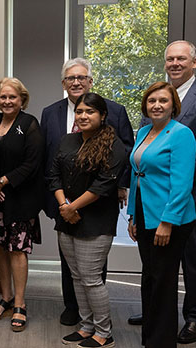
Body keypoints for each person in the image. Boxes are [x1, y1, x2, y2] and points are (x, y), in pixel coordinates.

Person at [128, 41, 196, 345]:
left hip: (188, 195)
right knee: (157, 268)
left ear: (194, 62)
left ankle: (195, 316)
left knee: (191, 257)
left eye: (181, 58)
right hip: (151, 198)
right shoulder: (151, 113)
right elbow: (141, 160)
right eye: (170, 58)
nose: (175, 63)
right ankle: (158, 311)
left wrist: (174, 182)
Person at [39, 57, 134, 326]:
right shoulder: (50, 112)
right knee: (70, 263)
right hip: (62, 200)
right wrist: (58, 201)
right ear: (63, 83)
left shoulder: (113, 110)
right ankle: (74, 309)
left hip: (98, 200)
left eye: (82, 77)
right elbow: (49, 158)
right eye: (71, 78)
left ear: (91, 81)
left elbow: (126, 150)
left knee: (91, 266)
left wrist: (121, 186)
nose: (76, 82)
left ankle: (97, 318)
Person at [48, 93, 126, 348]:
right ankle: (86, 327)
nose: (83, 116)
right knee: (77, 277)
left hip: (96, 220)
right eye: (80, 111)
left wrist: (72, 207)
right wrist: (63, 205)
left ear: (102, 116)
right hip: (67, 216)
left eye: (90, 112)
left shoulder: (114, 145)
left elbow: (104, 184)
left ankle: (105, 333)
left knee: (91, 278)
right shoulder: (68, 140)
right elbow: (54, 174)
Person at [127, 82, 196, 348]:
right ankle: (151, 337)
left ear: (173, 105)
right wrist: (133, 215)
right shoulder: (144, 131)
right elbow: (137, 175)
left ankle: (162, 343)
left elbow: (182, 184)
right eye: (152, 100)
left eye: (163, 101)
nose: (156, 105)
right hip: (145, 215)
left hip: (171, 219)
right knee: (150, 277)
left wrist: (167, 222)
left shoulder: (181, 134)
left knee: (164, 281)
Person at [0, 77, 44, 333]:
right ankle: (5, 298)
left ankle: (20, 303)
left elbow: (33, 162)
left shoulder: (29, 124)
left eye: (12, 97)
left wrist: (4, 182)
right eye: (3, 97)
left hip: (19, 198)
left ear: (22, 100)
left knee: (18, 250)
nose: (7, 101)